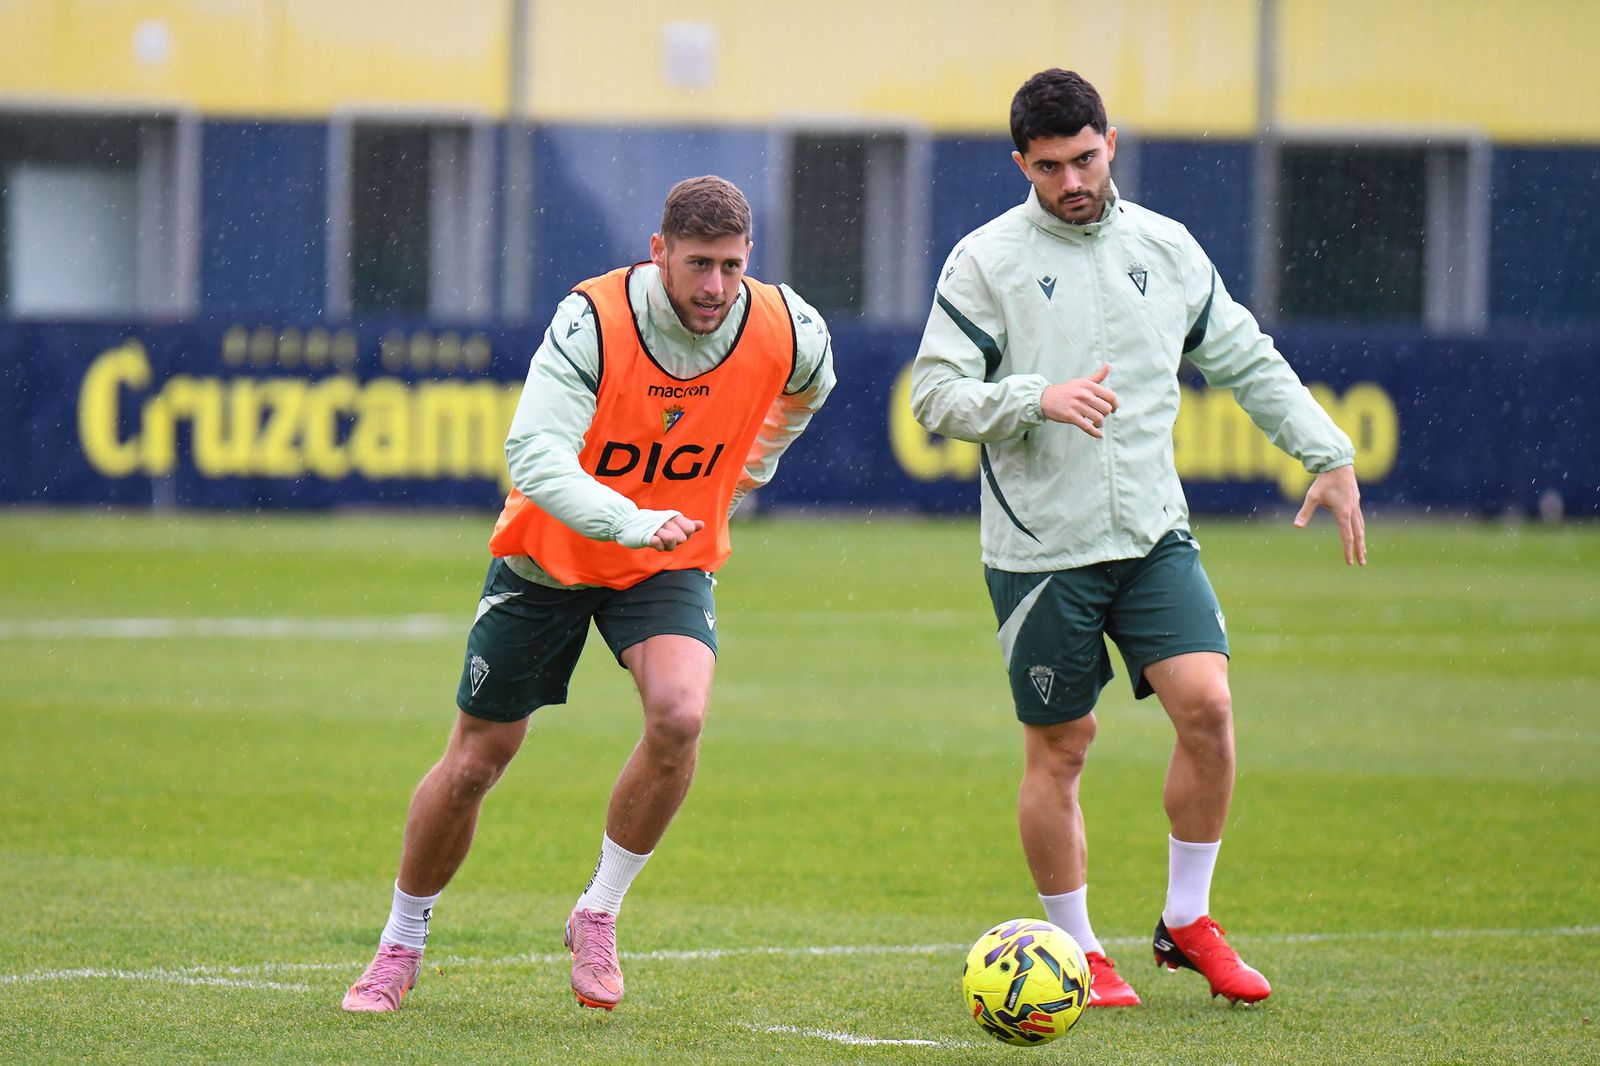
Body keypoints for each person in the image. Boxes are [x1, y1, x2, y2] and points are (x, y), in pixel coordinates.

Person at [911, 69, 1365, 1008]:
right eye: (1049, 168)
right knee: (1063, 747)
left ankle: (1186, 922)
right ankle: (1075, 952)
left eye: (1084, 158)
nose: (1071, 181)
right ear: (1021, 165)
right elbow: (935, 395)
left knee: (1209, 708)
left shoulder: (1169, 246)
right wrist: (1035, 396)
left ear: (1110, 142)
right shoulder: (985, 260)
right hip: (1043, 549)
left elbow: (1243, 356)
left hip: (1155, 532)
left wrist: (1326, 450)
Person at [342, 175, 835, 1013]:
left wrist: (744, 473)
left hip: (667, 560)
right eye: (696, 265)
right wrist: (630, 520)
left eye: (730, 266)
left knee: (680, 716)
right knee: (474, 763)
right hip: (552, 559)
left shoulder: (791, 328)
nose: (714, 287)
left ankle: (598, 912)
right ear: (658, 253)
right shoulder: (593, 321)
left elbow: (803, 396)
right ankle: (402, 942)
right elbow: (533, 456)